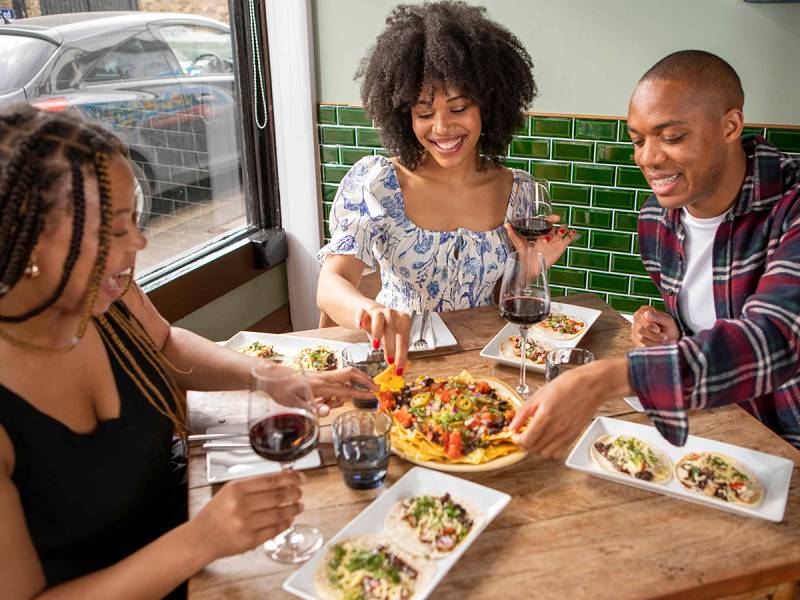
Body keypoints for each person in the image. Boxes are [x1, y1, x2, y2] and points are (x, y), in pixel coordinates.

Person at [0, 105, 376, 599]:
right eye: (113, 231)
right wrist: (200, 541)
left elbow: (165, 342)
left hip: (200, 525)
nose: (139, 241)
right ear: (24, 240)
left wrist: (267, 375)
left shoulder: (105, 297)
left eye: (134, 219)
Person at [510, 50, 800, 457]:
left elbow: (776, 338)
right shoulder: (656, 219)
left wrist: (606, 378)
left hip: (787, 442)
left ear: (730, 126)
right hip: (712, 430)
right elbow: (717, 328)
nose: (647, 158)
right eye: (638, 139)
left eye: (672, 137)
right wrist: (676, 331)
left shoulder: (791, 207)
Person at [317, 1, 576, 374]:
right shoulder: (377, 183)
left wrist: (529, 267)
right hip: (399, 364)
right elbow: (331, 283)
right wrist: (369, 311)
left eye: (458, 109)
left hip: (487, 368)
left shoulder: (519, 191)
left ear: (488, 106)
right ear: (404, 116)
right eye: (424, 113)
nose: (441, 127)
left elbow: (496, 301)